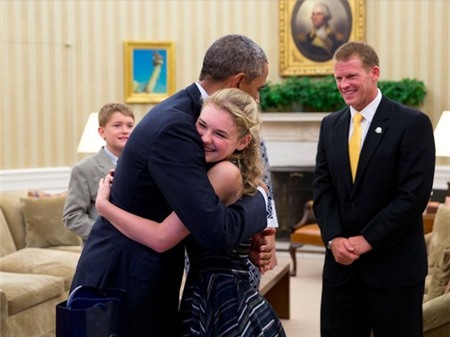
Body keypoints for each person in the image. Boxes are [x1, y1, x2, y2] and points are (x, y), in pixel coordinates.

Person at [70, 34, 276, 337]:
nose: (257, 99)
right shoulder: (178, 126)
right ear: (239, 81)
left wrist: (260, 229)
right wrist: (261, 198)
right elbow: (211, 229)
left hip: (146, 270)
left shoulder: (193, 117)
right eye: (257, 89)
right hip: (124, 276)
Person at [96, 88, 286, 336]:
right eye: (202, 125)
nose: (205, 138)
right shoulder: (231, 171)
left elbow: (161, 237)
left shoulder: (222, 173)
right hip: (210, 289)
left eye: (219, 133)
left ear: (243, 142)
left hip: (220, 297)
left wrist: (104, 206)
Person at [313, 41, 435, 337]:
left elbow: (412, 196)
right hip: (341, 267)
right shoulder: (330, 125)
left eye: (351, 76)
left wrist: (367, 239)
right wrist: (334, 239)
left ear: (374, 73)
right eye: (338, 78)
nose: (344, 85)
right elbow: (322, 189)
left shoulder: (412, 123)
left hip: (394, 269)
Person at [63, 102, 135, 245]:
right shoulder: (84, 169)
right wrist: (105, 234)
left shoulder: (142, 165)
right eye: (117, 125)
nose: (125, 130)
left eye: (129, 125)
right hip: (102, 249)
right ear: (102, 132)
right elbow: (72, 217)